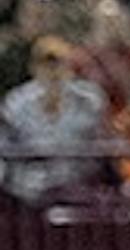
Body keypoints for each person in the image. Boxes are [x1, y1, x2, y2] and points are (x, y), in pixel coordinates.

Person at [1, 35, 105, 202]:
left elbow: (100, 147)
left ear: (70, 67)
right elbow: (6, 149)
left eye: (59, 63)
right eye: (45, 64)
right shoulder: (16, 102)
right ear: (33, 68)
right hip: (28, 191)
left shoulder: (89, 100)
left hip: (78, 187)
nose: (53, 71)